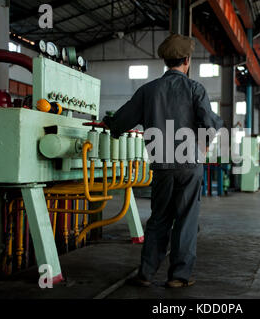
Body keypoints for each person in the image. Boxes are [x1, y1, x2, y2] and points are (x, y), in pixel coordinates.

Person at [102, 34, 223, 288]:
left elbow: (122, 121)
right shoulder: (195, 89)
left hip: (162, 166)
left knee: (159, 219)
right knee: (186, 220)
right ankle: (179, 276)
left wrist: (110, 125)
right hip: (189, 164)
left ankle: (146, 273)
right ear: (187, 61)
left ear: (166, 62)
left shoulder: (148, 90)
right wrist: (202, 146)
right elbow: (210, 124)